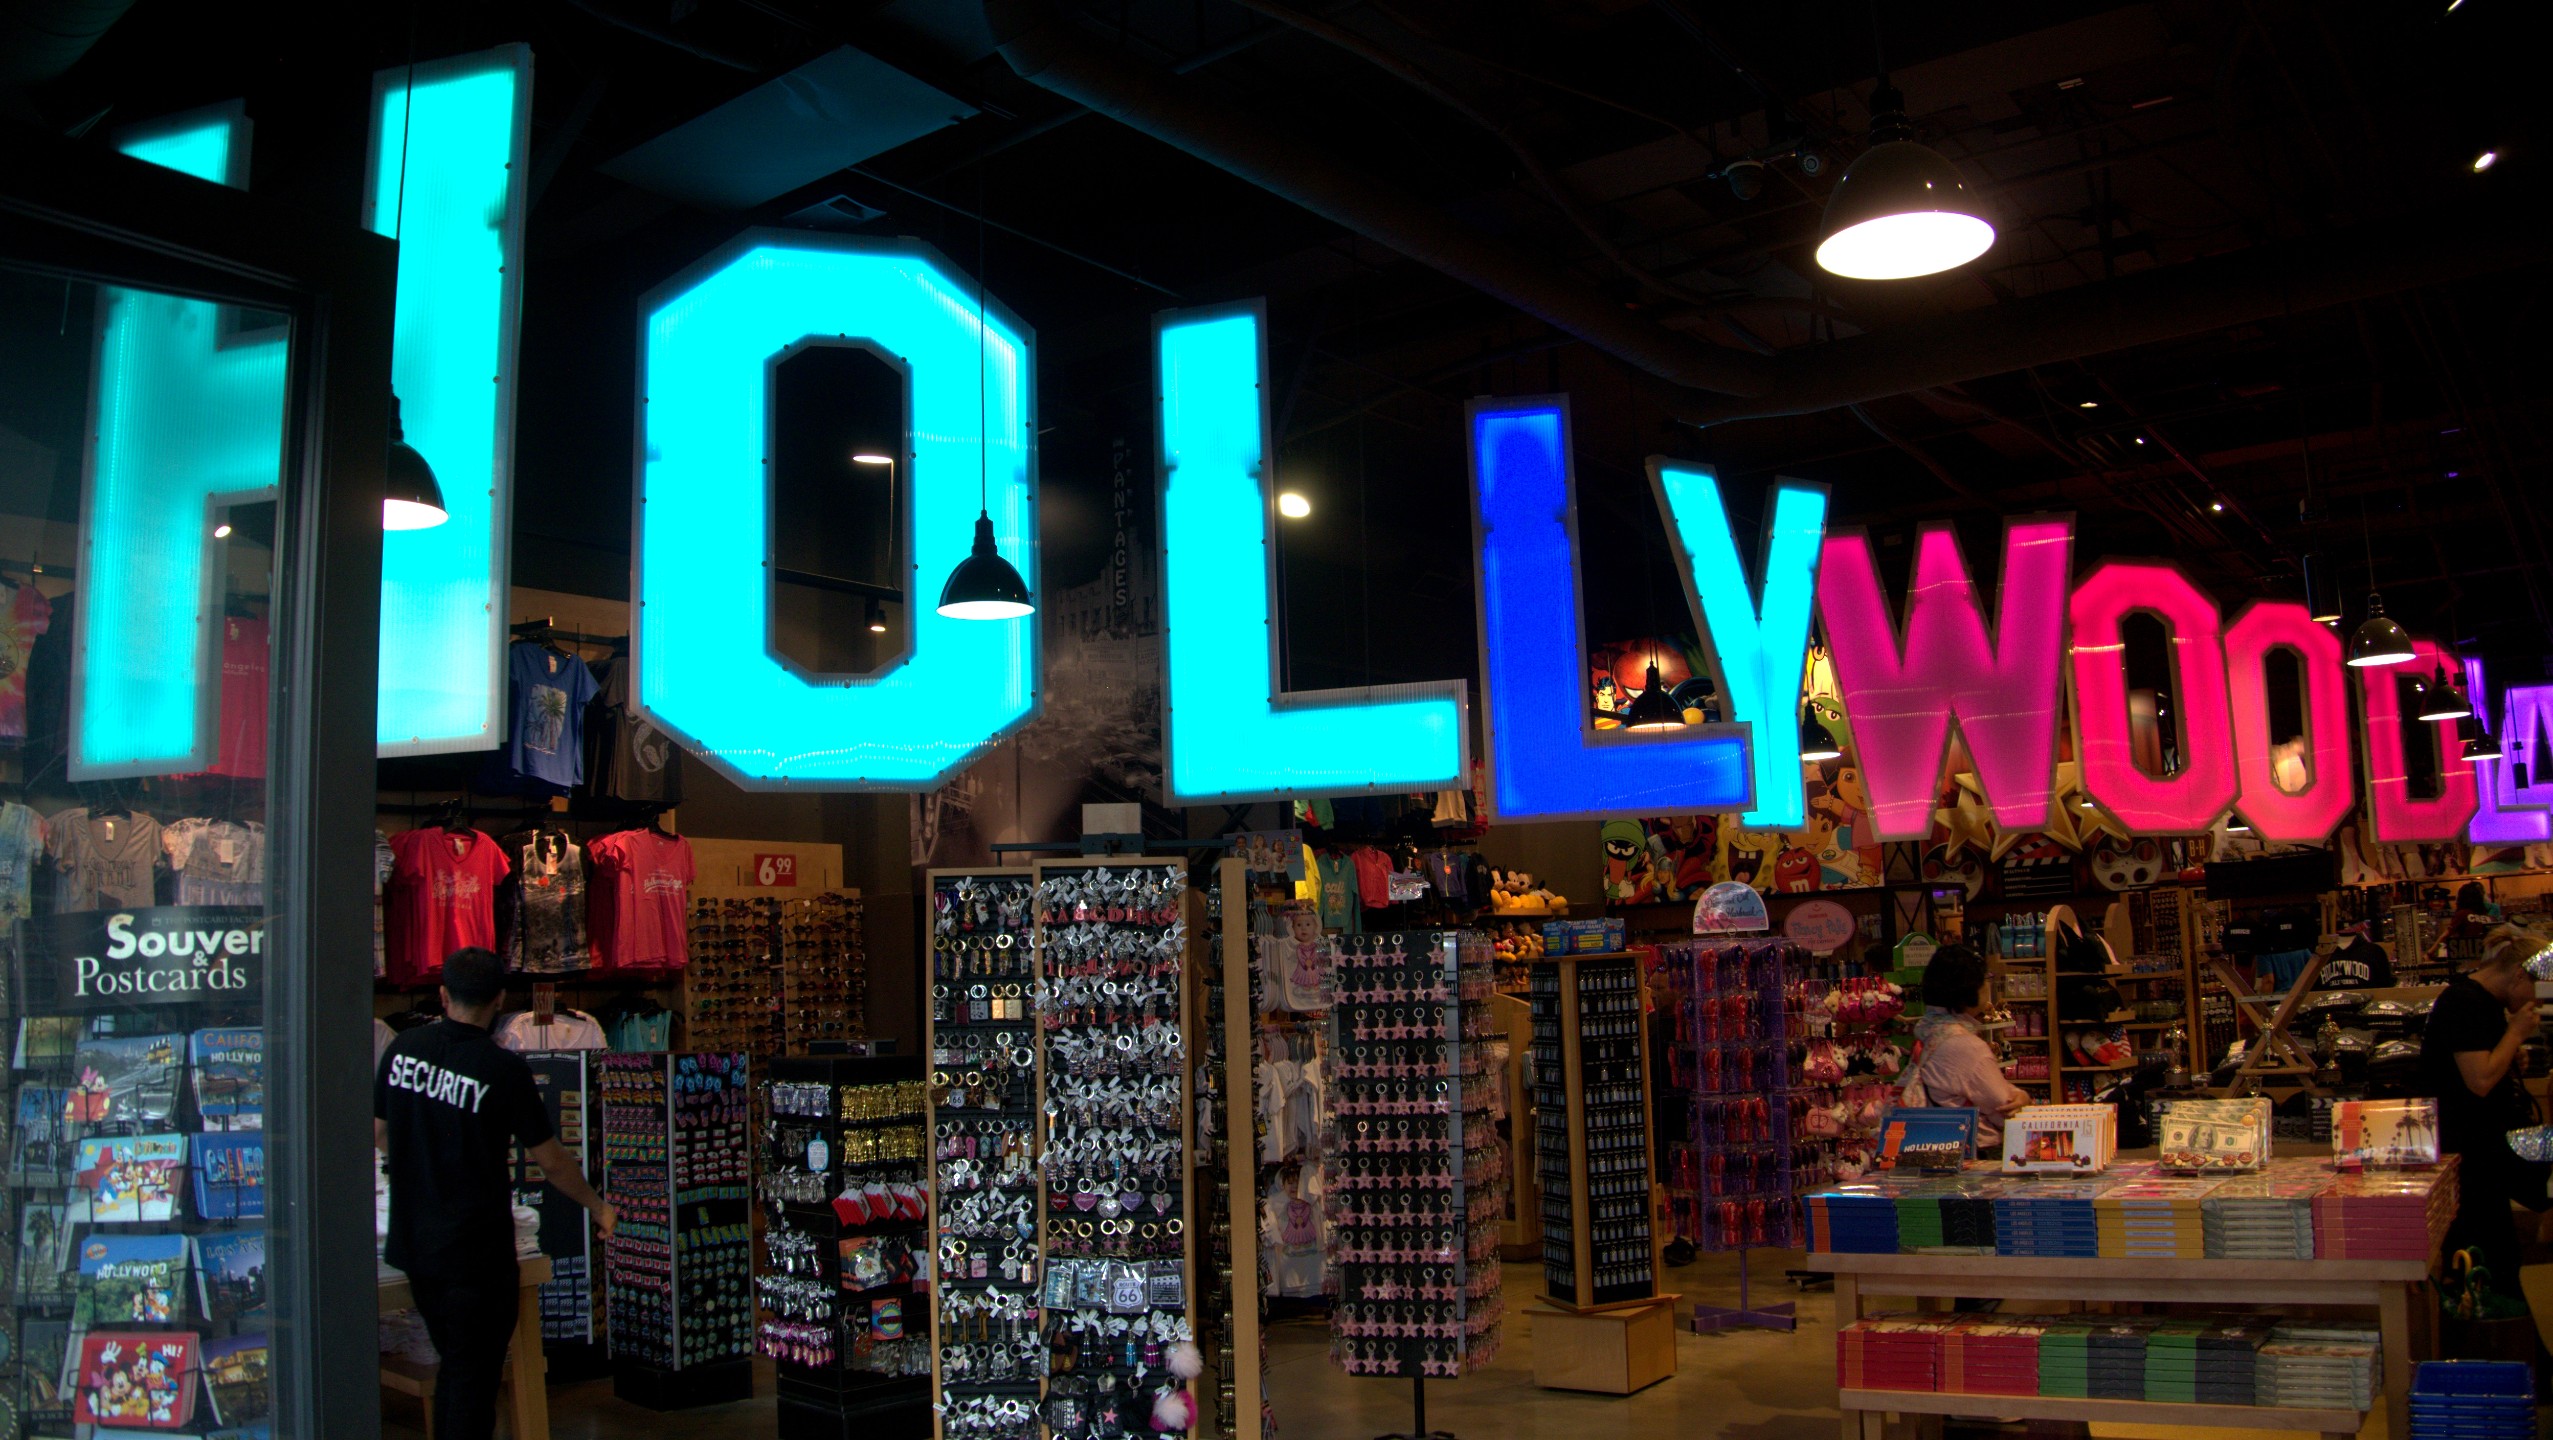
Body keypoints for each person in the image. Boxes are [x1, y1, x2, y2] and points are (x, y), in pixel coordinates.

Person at [376, 947, 614, 1440]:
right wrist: (598, 1207)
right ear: (500, 999)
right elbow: (551, 1160)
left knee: (456, 1369)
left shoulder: (403, 1050)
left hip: (415, 1245)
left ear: (443, 994)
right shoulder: (502, 1069)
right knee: (471, 1380)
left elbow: (378, 1132)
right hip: (475, 1253)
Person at [2418, 924, 2549, 1284]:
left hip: (2479, 1151)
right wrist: (2514, 1034)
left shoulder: (2481, 1001)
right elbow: (2479, 1081)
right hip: (2467, 1155)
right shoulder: (2465, 1003)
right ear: (2519, 975)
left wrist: (2510, 1053)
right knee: (2482, 1255)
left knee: (2493, 1251)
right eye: (2537, 992)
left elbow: (2481, 1065)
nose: (2537, 1003)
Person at [1897, 943, 2030, 1151]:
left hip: (1932, 1147)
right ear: (1970, 988)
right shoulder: (1965, 1046)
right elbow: (2004, 1107)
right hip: (1971, 1153)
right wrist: (2022, 1098)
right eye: (1986, 978)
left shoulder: (1929, 1029)